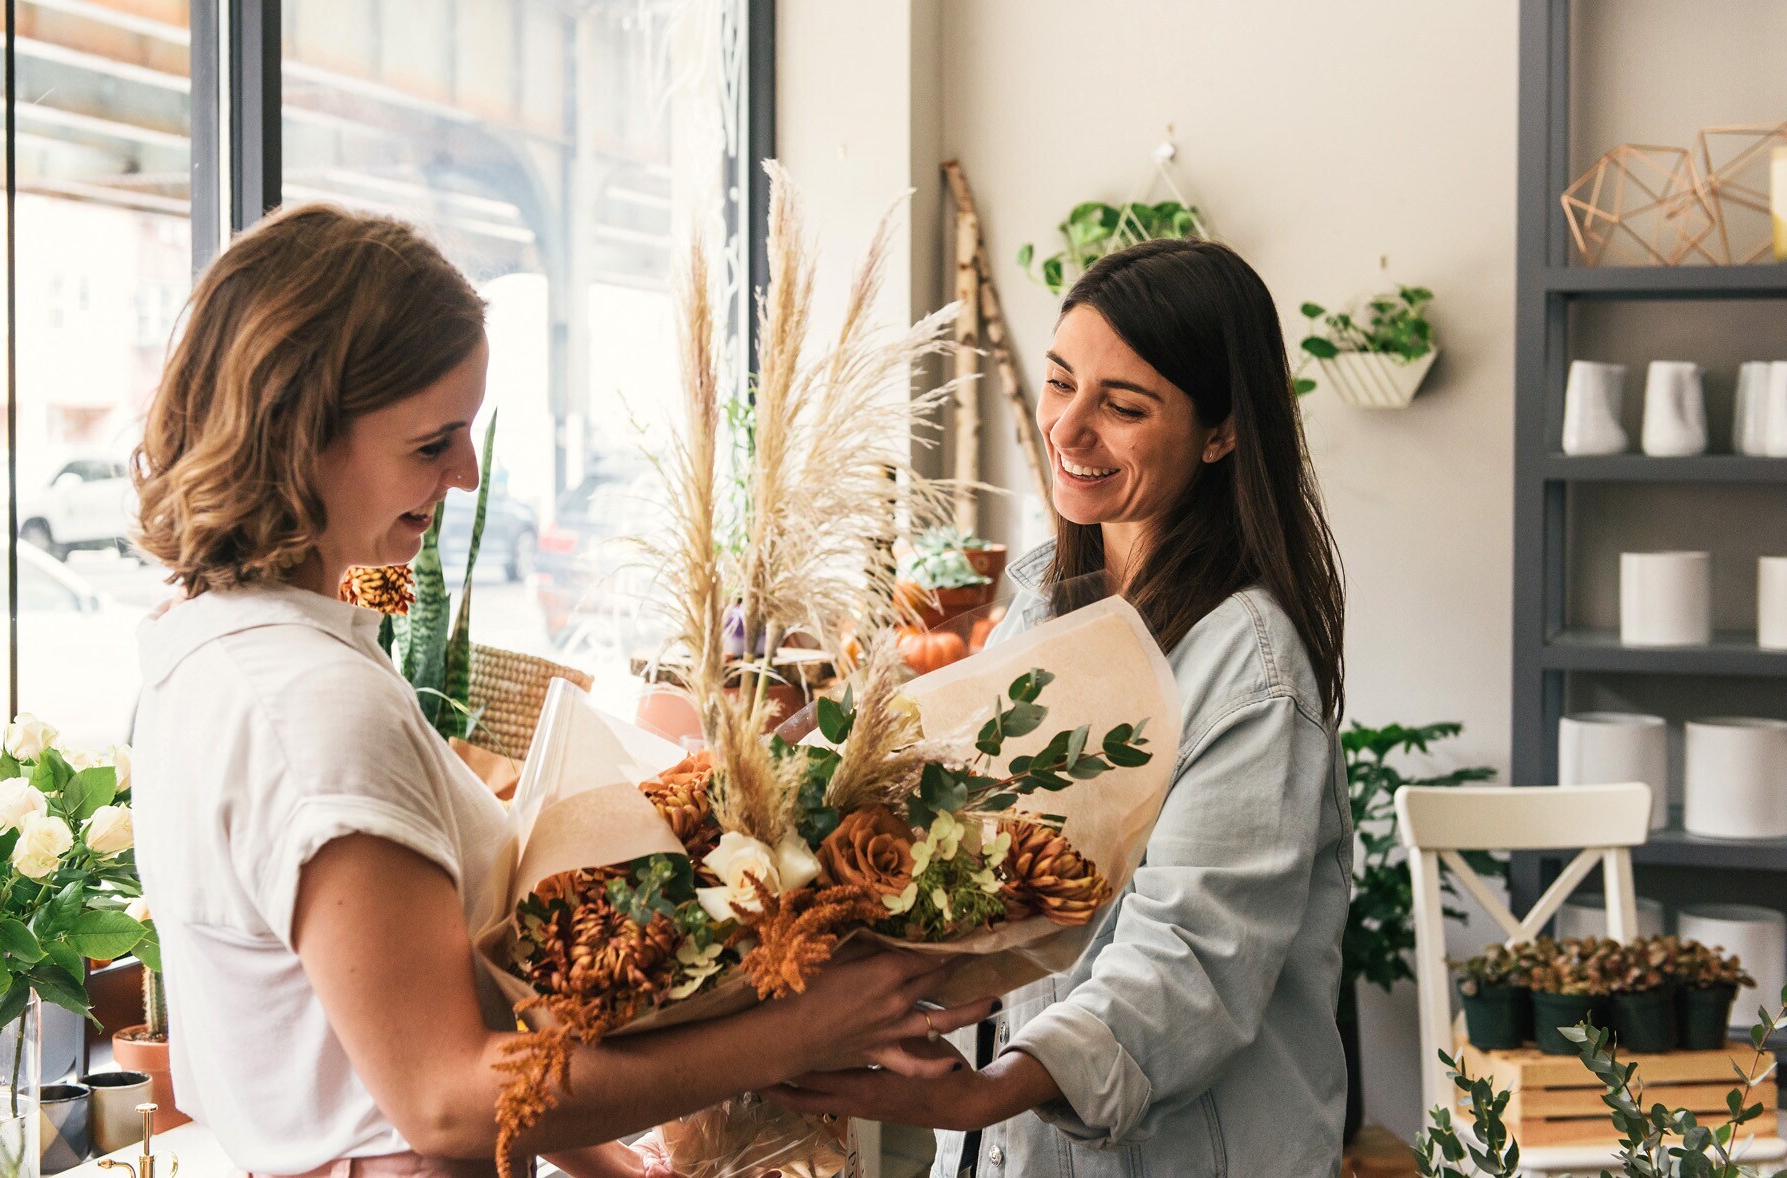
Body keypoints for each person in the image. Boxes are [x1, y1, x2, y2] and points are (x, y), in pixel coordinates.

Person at [128, 203, 992, 1178]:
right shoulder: (311, 705)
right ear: (299, 437)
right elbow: (447, 1098)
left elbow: (437, 1019)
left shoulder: (208, 650)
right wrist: (800, 1031)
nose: (465, 473)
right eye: (432, 442)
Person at [763, 238, 1353, 1178]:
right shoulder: (1045, 604)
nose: (1068, 430)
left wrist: (983, 1093)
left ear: (1221, 432)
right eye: (1060, 382)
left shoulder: (1249, 667)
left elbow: (1192, 959)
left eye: (1123, 407)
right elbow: (983, 859)